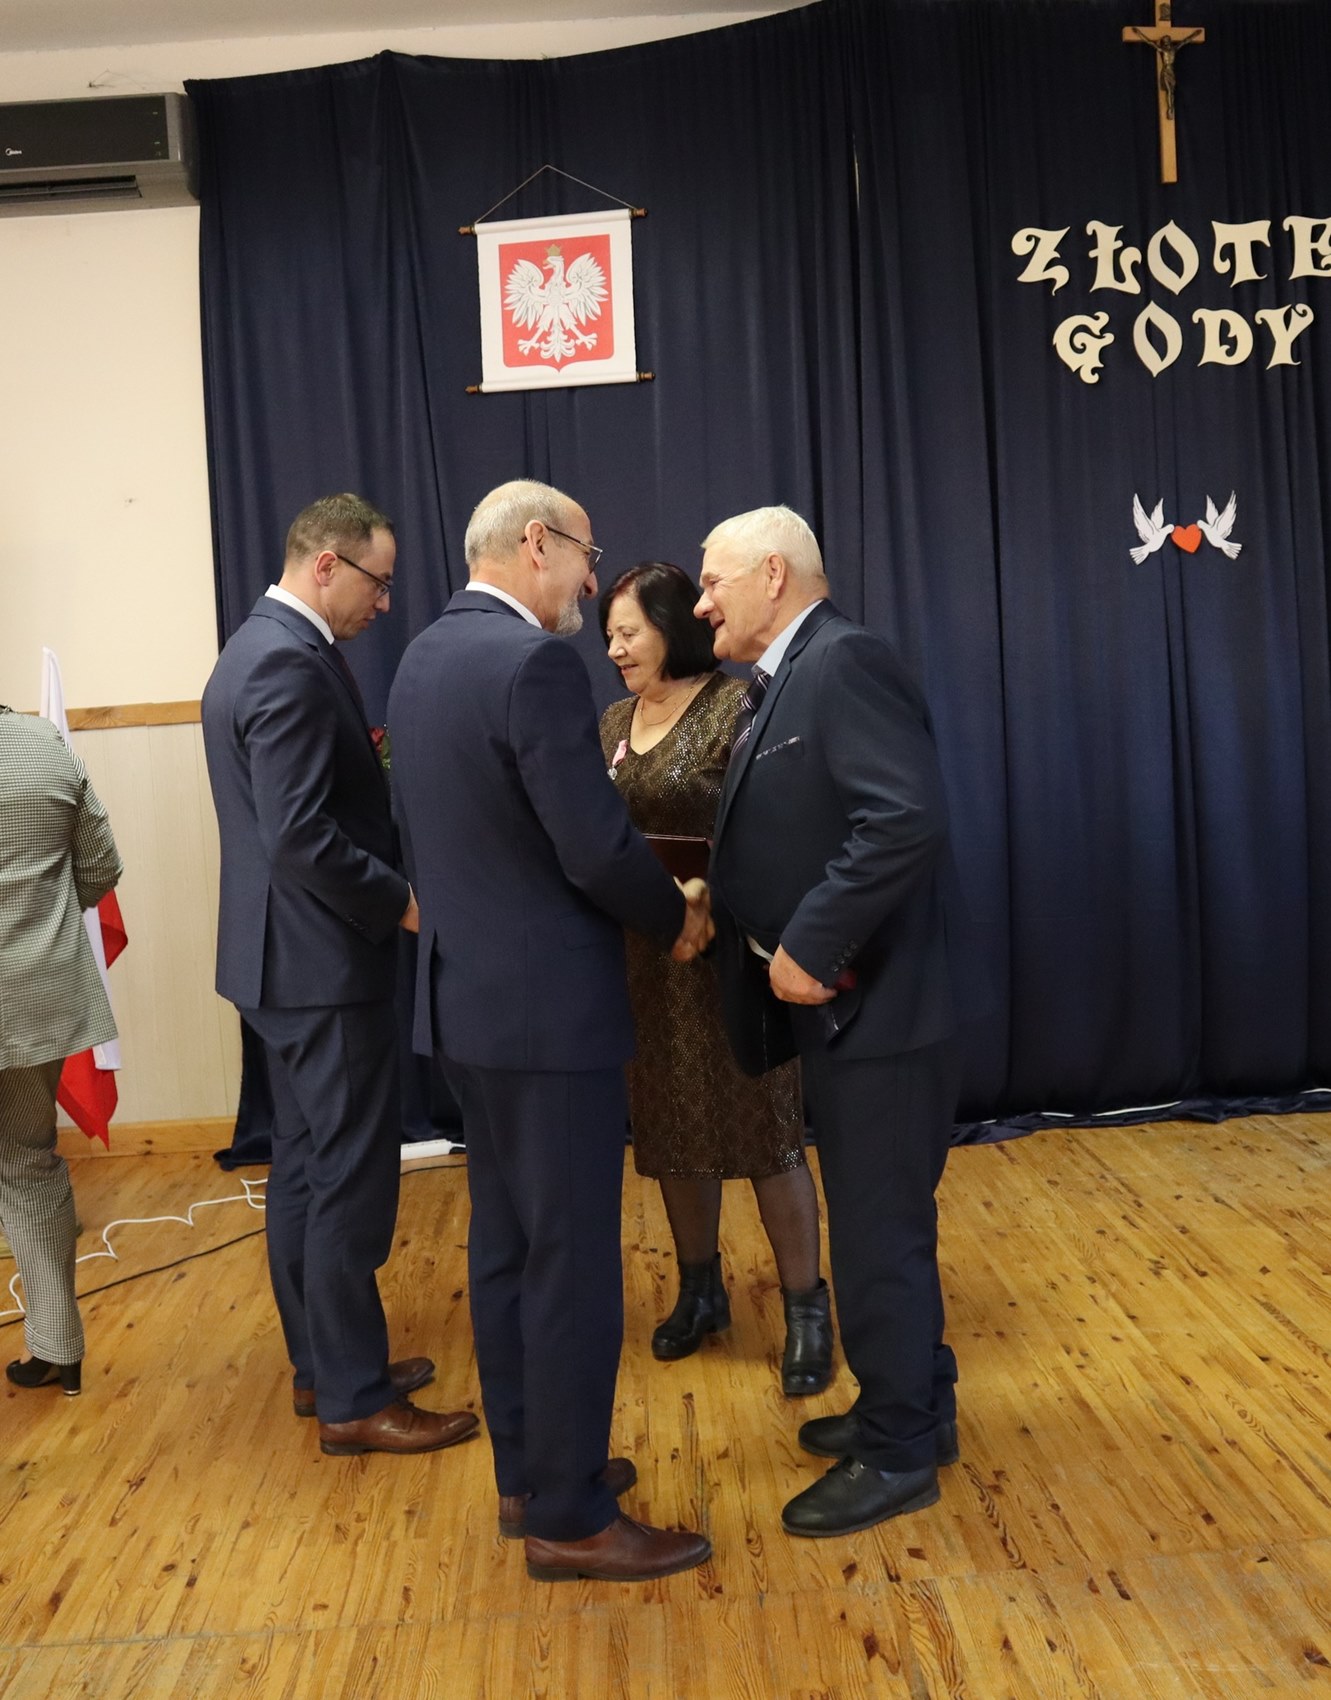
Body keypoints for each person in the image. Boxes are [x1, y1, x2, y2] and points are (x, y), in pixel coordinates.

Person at [387, 480, 713, 1583]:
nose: (589, 577)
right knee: (570, 1263)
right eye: (585, 553)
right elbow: (592, 845)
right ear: (537, 542)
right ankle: (571, 1518)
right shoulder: (531, 664)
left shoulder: (421, 657)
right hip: (549, 1017)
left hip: (465, 1009)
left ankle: (529, 1475)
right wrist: (675, 916)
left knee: (506, 1249)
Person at [696, 505, 964, 1538]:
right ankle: (916, 1406)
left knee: (876, 1234)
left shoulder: (842, 661)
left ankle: (897, 1452)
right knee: (880, 1224)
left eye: (713, 580)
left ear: (773, 573)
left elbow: (903, 816)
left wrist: (810, 941)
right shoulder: (789, 674)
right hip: (852, 1014)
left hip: (882, 1012)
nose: (701, 602)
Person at [201, 492, 476, 1458]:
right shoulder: (287, 661)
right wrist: (402, 901)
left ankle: (324, 1366)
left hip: (277, 963)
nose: (385, 602)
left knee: (306, 1170)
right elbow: (299, 836)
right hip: (320, 964)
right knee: (349, 1180)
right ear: (326, 564)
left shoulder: (253, 647)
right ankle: (355, 1399)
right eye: (378, 581)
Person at [597, 562, 832, 1394]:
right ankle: (700, 1292)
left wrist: (710, 896)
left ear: (673, 627)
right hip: (648, 961)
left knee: (765, 1134)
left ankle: (806, 1309)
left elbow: (780, 826)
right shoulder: (611, 721)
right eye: (609, 635)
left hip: (728, 952)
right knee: (670, 1129)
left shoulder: (739, 707)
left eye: (630, 632)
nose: (615, 648)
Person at [0, 707, 123, 1396]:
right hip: (37, 996)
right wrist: (36, 924)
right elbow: (102, 865)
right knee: (29, 1162)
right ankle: (57, 1346)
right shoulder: (43, 745)